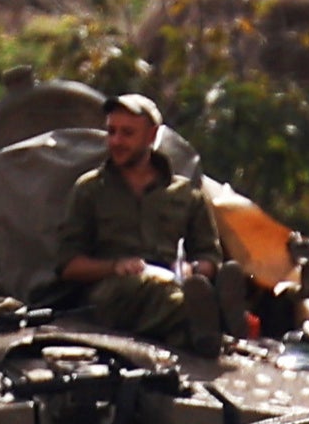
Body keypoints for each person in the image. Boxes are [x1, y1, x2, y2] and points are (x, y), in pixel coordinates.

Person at [52, 91, 238, 358]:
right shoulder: (90, 190)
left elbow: (210, 257)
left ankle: (201, 329)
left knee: (183, 300)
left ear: (151, 136)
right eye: (111, 131)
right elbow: (68, 265)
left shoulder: (185, 194)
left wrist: (191, 268)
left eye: (127, 133)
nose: (116, 141)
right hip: (112, 293)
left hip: (173, 283)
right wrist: (116, 266)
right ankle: (219, 317)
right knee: (150, 289)